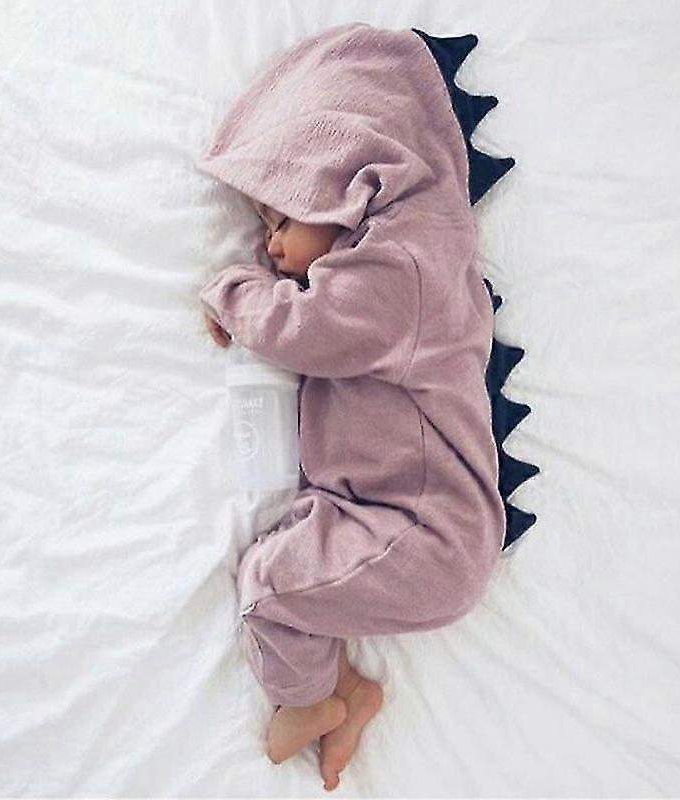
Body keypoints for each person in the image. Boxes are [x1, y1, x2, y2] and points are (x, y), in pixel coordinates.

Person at [198, 22, 506, 792]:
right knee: (294, 570)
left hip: (427, 535)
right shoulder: (399, 259)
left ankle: (304, 702)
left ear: (346, 189)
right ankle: (347, 696)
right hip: (382, 513)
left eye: (281, 222)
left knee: (271, 587)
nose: (272, 248)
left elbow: (309, 331)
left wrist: (235, 290)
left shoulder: (406, 265)